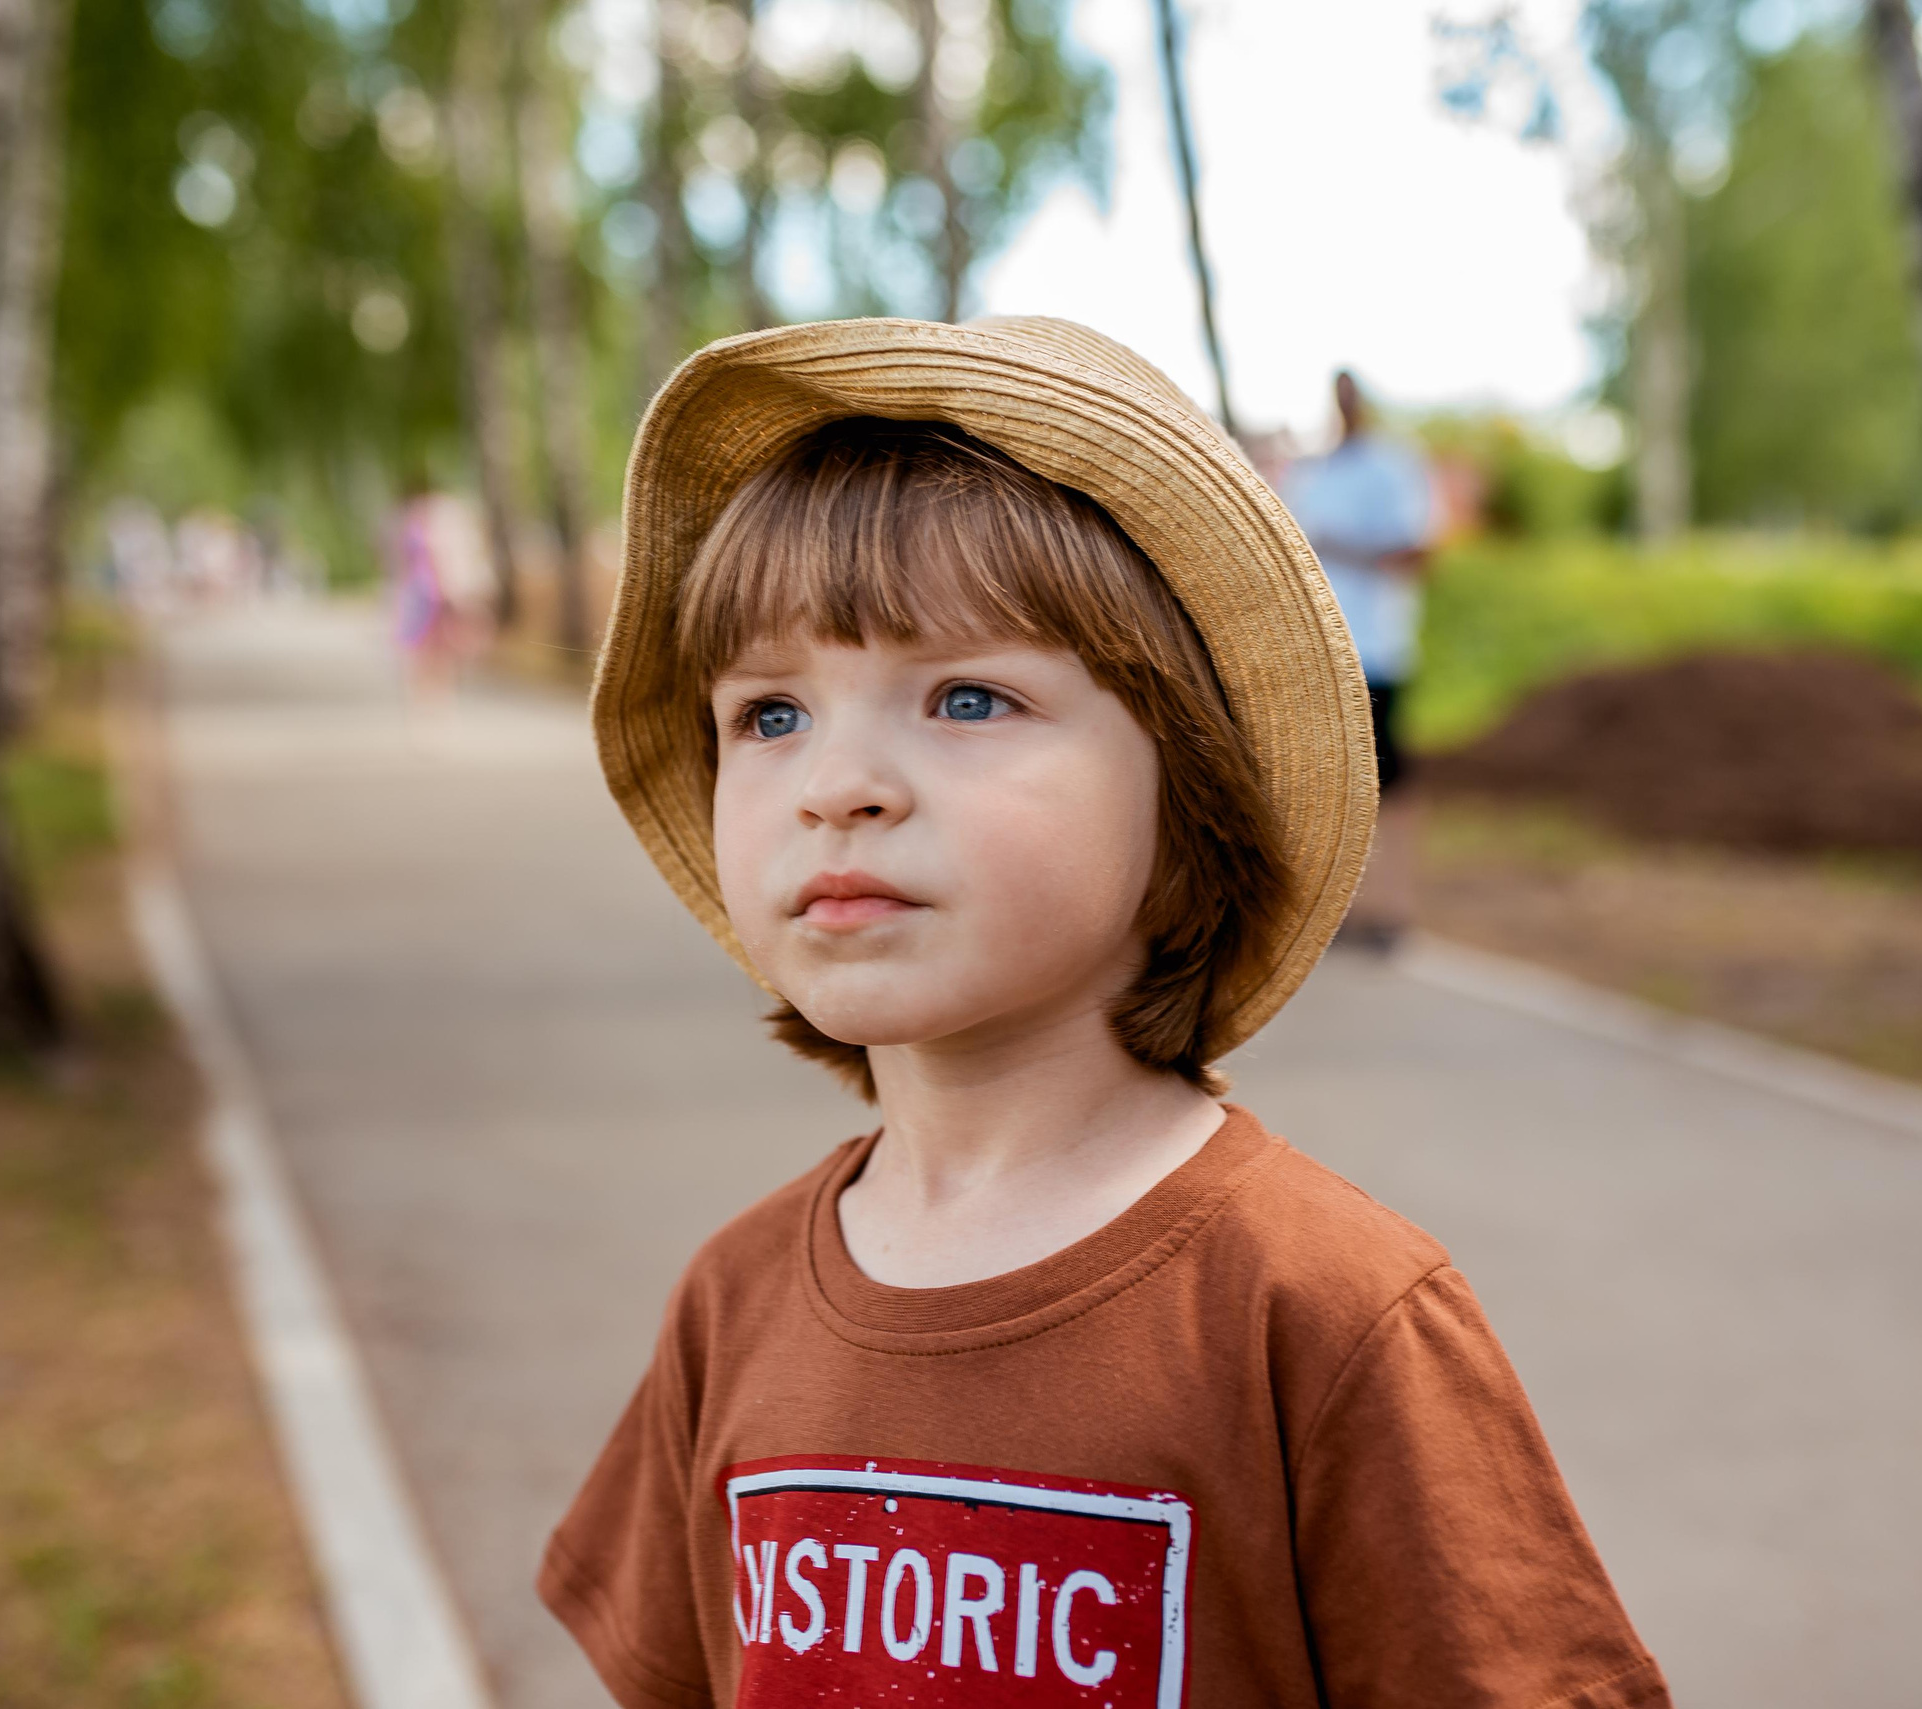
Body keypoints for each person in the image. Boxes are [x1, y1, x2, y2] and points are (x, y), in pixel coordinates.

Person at [544, 318, 1667, 1709]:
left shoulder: (1324, 1311)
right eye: (770, 715)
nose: (838, 782)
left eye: (967, 696)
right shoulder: (734, 1302)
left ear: (1183, 806)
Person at [1281, 369, 1437, 950]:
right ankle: (1337, 908)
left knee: (1388, 784)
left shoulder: (1392, 466)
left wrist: (1337, 545)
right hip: (1317, 652)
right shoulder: (1313, 471)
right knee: (1329, 784)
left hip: (1374, 651)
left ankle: (1393, 909)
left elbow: (1418, 552)